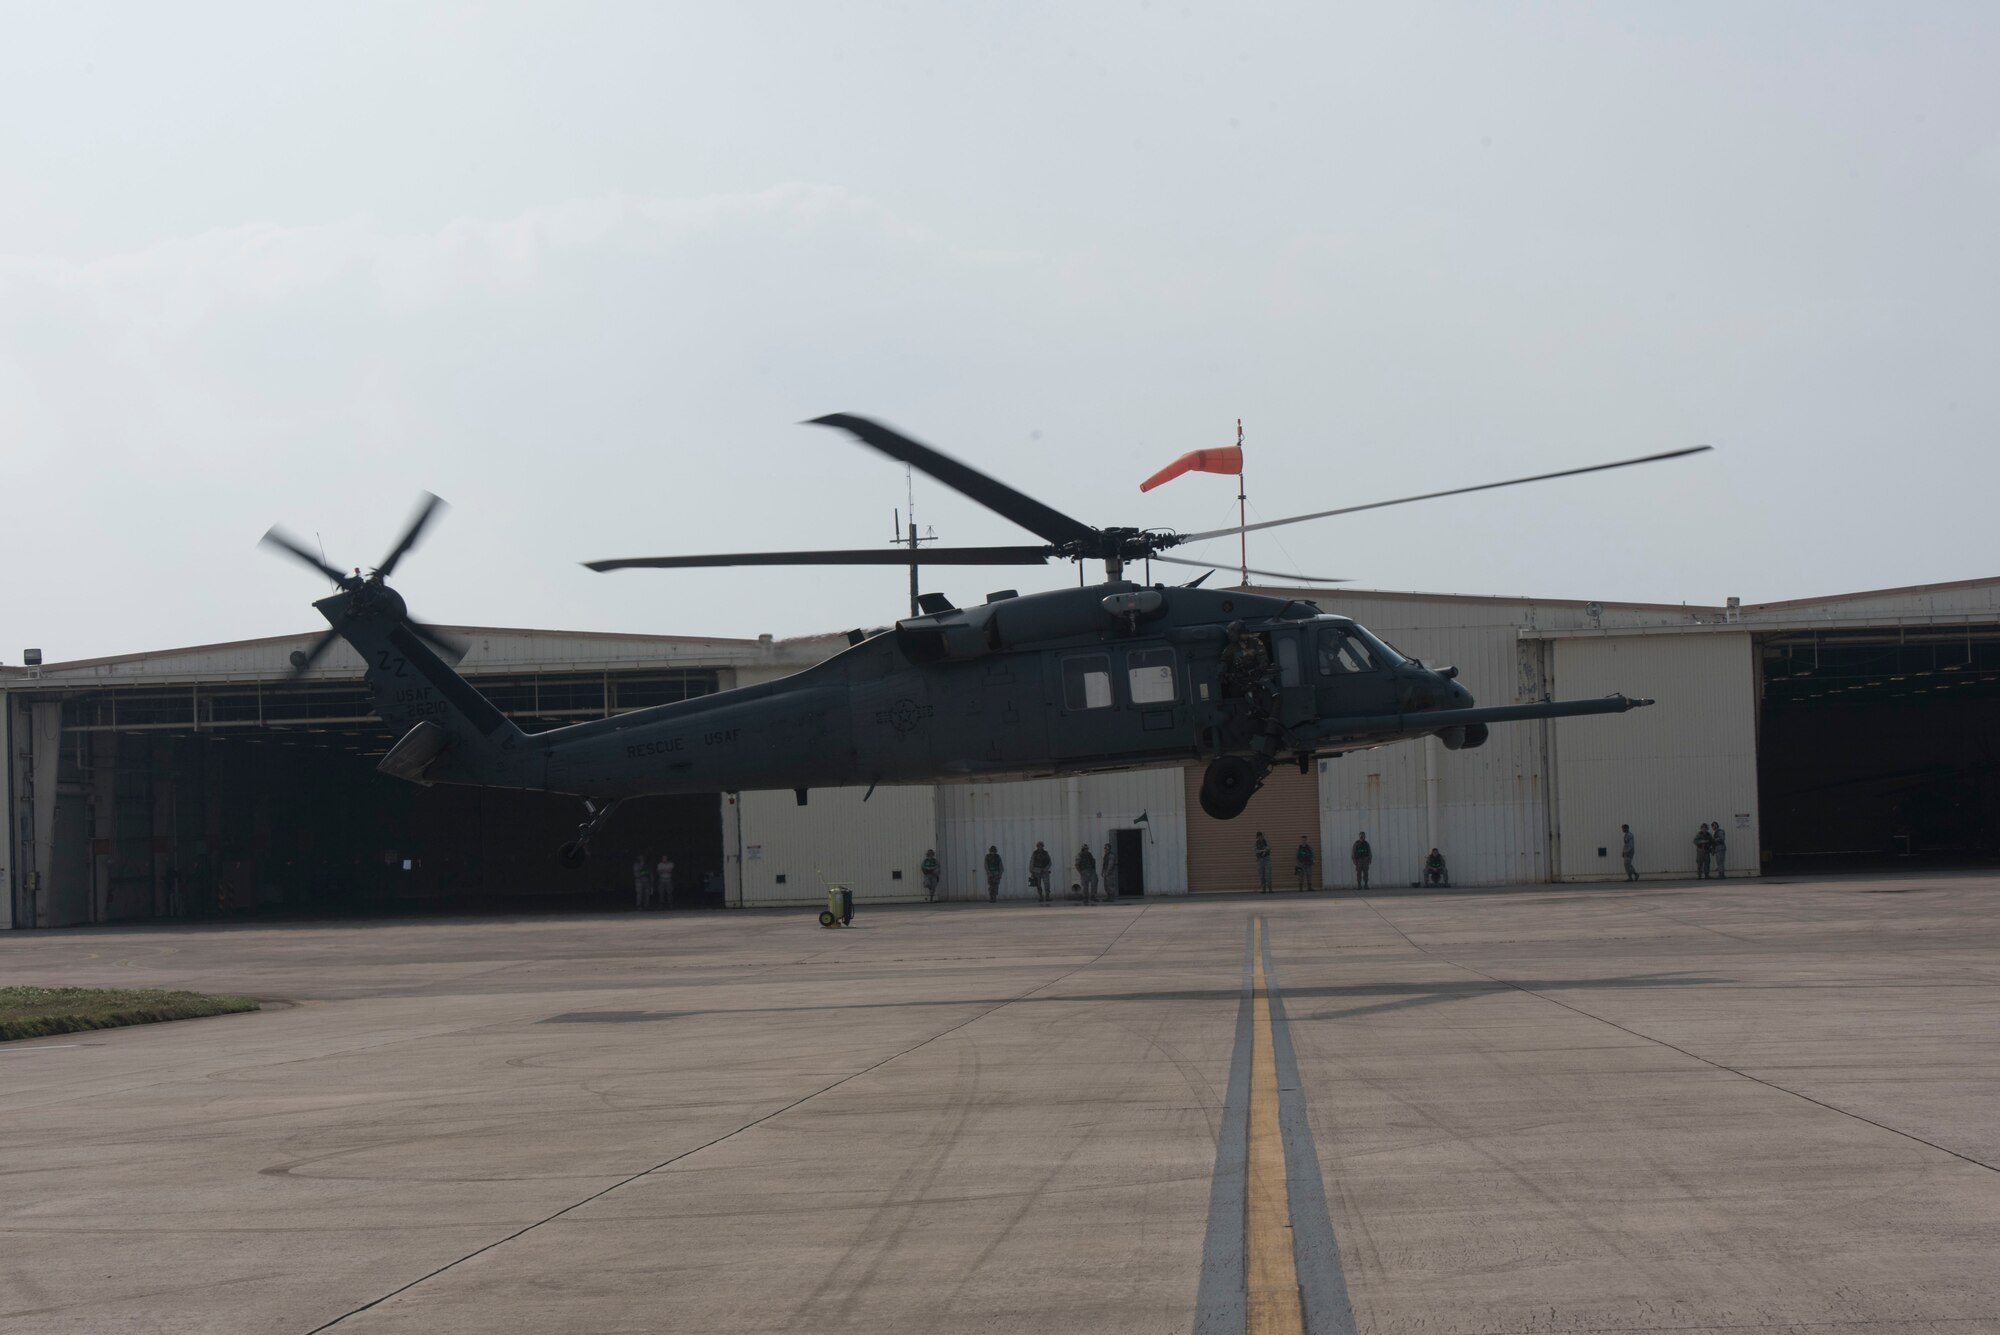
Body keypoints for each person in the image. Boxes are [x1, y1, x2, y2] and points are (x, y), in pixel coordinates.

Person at [1220, 621, 1271, 699]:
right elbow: (1224, 660)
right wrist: (1222, 671)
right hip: (1240, 678)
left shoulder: (1255, 642)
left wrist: (1262, 666)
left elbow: (1262, 655)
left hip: (1255, 675)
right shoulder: (1231, 647)